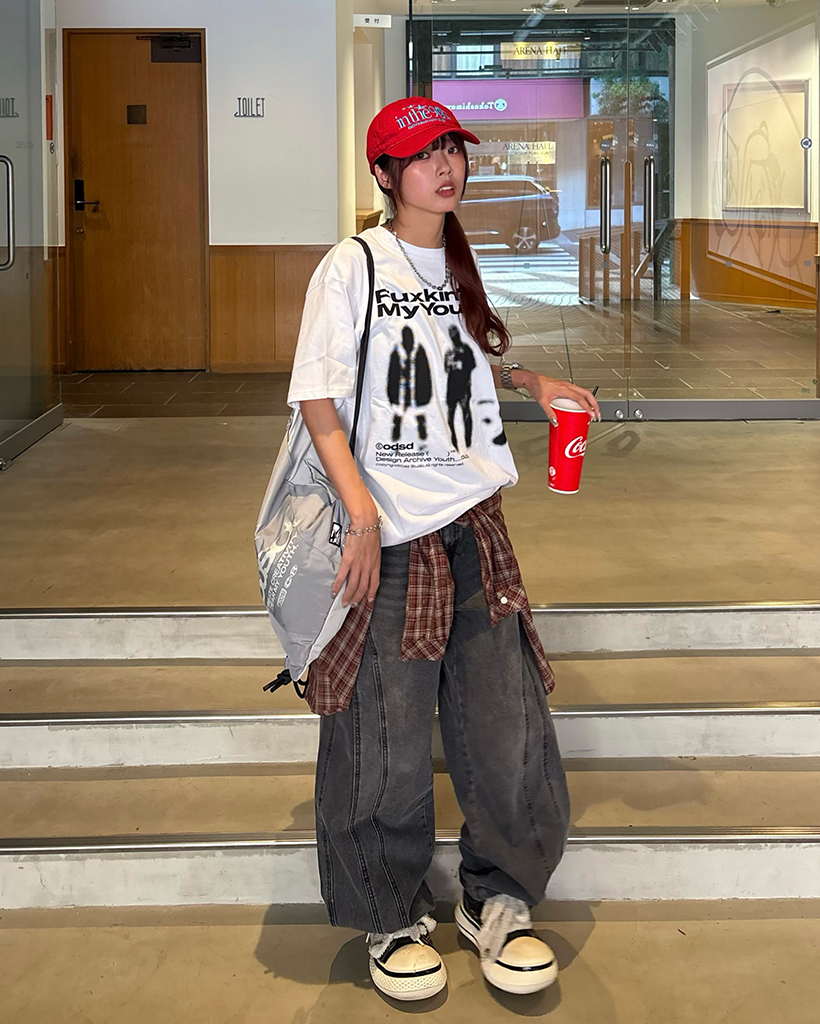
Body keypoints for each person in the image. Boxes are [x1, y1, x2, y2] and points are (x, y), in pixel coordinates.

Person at [286, 97, 600, 1004]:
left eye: (453, 149)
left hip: (475, 523)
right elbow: (318, 398)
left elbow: (449, 365)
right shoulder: (353, 264)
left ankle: (495, 900)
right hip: (391, 534)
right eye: (423, 154)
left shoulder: (457, 261)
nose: (446, 166)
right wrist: (361, 515)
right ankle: (389, 914)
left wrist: (528, 378)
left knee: (505, 725)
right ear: (386, 174)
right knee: (381, 734)